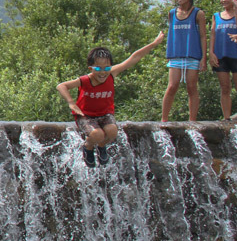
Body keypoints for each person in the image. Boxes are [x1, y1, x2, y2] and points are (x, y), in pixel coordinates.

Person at [56, 33, 165, 167]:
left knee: (112, 132)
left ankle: (101, 147)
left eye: (106, 68)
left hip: (105, 114)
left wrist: (154, 44)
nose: (103, 72)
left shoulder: (111, 74)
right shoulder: (85, 80)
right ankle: (88, 147)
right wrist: (71, 103)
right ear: (91, 68)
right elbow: (61, 86)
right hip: (86, 116)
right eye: (98, 68)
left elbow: (134, 57)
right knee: (97, 134)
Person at [161, 0, 207, 122]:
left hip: (192, 54)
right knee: (172, 86)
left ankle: (192, 120)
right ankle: (163, 119)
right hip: (176, 54)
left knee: (191, 87)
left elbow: (203, 36)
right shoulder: (172, 13)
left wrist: (204, 58)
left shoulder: (198, 13)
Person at [210, 0, 237, 121]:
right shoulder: (216, 16)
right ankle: (226, 118)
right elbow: (213, 35)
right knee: (225, 87)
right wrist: (211, 53)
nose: (224, 0)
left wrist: (236, 10)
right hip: (221, 55)